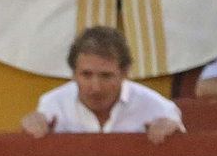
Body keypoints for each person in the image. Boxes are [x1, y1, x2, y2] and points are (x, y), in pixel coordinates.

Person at [21, 26, 184, 143]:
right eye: (86, 75)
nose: (96, 87)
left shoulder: (158, 108)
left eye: (106, 76)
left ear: (124, 73)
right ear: (73, 73)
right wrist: (31, 130)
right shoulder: (53, 104)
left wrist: (173, 135)